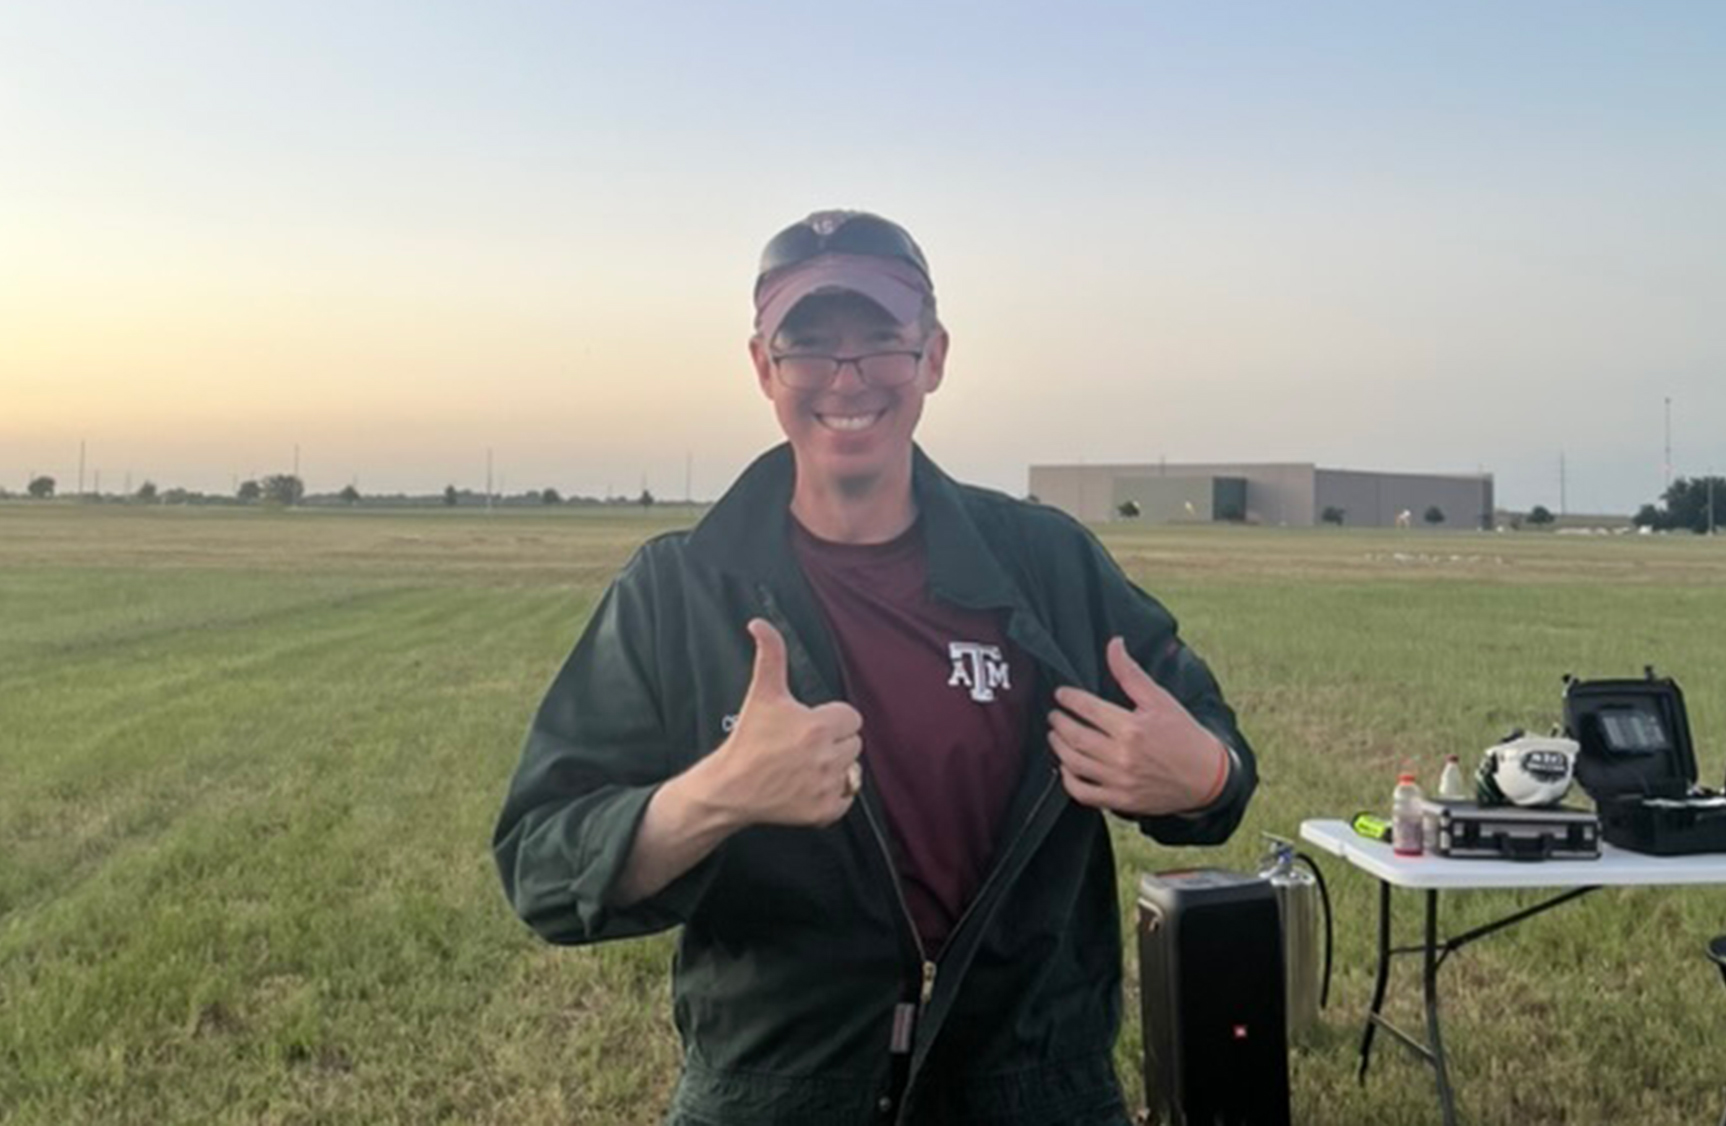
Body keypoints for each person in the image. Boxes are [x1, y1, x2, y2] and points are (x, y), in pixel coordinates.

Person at [492, 210, 1257, 1126]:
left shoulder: (1047, 565)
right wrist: (718, 796)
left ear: (932, 356)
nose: (846, 380)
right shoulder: (678, 589)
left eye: (881, 344)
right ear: (762, 367)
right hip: (772, 1094)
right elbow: (541, 867)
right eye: (809, 346)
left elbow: (1218, 761)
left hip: (1034, 1087)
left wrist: (1200, 773)